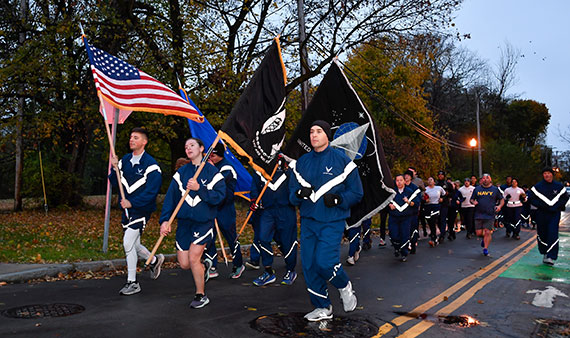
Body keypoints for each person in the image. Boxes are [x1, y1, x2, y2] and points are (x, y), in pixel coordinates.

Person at [289, 120, 363, 322]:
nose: (314, 135)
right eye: (311, 131)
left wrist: (339, 199)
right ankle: (323, 307)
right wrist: (298, 193)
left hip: (332, 221)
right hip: (308, 221)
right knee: (309, 265)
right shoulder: (302, 162)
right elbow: (291, 195)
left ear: (327, 136)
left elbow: (357, 192)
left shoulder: (343, 161)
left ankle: (344, 286)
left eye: (319, 131)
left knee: (325, 262)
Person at [160, 138, 226, 308]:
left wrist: (200, 189)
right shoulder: (181, 173)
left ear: (202, 148)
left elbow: (219, 197)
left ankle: (201, 295)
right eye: (186, 146)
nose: (188, 148)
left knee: (193, 257)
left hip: (203, 222)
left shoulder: (213, 173)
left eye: (192, 145)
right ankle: (204, 267)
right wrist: (165, 220)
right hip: (184, 224)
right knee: (184, 264)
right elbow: (170, 199)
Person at [109, 127, 164, 296]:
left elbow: (151, 193)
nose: (131, 140)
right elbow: (115, 182)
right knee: (135, 244)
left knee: (127, 242)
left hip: (141, 210)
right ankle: (154, 260)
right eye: (131, 137)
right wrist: (113, 169)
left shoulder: (152, 166)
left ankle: (132, 282)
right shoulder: (125, 160)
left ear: (144, 142)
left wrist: (132, 203)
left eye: (136, 137)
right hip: (126, 210)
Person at [250, 161, 299, 286]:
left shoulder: (289, 170)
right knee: (263, 238)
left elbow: (295, 188)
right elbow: (254, 188)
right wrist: (255, 200)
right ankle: (268, 271)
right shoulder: (259, 170)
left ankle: (290, 270)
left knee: (287, 240)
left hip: (286, 209)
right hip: (268, 210)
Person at [204, 142, 245, 279]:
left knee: (230, 237)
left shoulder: (227, 167)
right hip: (212, 207)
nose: (211, 157)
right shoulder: (212, 166)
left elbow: (219, 183)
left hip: (225, 208)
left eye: (213, 155)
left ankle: (238, 263)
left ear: (220, 154)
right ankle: (212, 266)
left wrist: (211, 169)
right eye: (210, 155)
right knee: (209, 237)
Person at [527, 167, 569, 266]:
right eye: (545, 173)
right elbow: (531, 199)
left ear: (552, 175)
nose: (547, 175)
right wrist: (541, 205)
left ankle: (551, 256)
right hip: (541, 213)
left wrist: (557, 206)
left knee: (552, 232)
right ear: (543, 175)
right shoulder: (537, 187)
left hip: (554, 214)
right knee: (542, 233)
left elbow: (565, 198)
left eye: (549, 173)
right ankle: (545, 252)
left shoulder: (559, 186)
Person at [470, 173, 504, 256]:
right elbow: (471, 199)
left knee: (487, 232)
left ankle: (485, 249)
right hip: (478, 214)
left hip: (490, 214)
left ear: (490, 179)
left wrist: (499, 206)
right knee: (478, 233)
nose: (485, 179)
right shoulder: (477, 189)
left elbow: (502, 199)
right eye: (484, 178)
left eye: (487, 178)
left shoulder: (495, 190)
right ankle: (484, 239)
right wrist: (473, 202)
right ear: (482, 180)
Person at [389, 174, 420, 261]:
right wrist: (390, 205)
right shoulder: (392, 192)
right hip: (394, 217)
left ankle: (404, 253)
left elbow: (416, 203)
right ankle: (397, 247)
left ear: (404, 181)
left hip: (406, 217)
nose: (399, 182)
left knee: (405, 235)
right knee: (394, 235)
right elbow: (385, 203)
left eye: (401, 180)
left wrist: (408, 202)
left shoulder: (410, 192)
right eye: (397, 180)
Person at [403, 170, 421, 254]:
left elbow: (418, 201)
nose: (406, 177)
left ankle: (413, 244)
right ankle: (405, 246)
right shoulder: (400, 187)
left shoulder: (414, 188)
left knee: (413, 229)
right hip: (402, 213)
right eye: (405, 175)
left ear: (411, 177)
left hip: (412, 212)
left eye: (408, 175)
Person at [424, 177, 445, 247]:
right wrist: (425, 200)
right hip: (428, 206)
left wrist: (442, 199)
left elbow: (444, 195)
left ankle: (434, 238)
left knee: (433, 219)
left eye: (431, 180)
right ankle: (434, 236)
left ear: (434, 182)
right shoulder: (425, 189)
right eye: (428, 180)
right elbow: (422, 198)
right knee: (430, 222)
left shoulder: (439, 188)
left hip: (436, 205)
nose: (429, 181)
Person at [436, 171, 453, 244]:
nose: (440, 176)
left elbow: (452, 193)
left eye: (441, 175)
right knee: (437, 220)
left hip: (444, 204)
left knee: (443, 219)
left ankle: (442, 235)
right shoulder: (436, 184)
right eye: (439, 175)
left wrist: (447, 194)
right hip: (436, 203)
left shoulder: (447, 184)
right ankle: (442, 231)